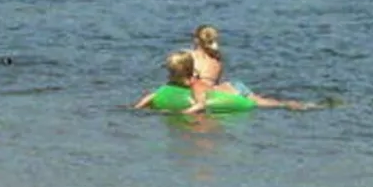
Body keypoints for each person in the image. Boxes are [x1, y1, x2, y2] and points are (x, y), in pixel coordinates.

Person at [135, 51, 314, 112]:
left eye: (170, 71)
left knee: (265, 103)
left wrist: (184, 113)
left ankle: (294, 105)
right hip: (222, 88)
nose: (168, 75)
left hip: (234, 91)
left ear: (180, 72)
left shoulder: (194, 84)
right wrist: (138, 108)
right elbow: (155, 94)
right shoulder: (173, 84)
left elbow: (201, 104)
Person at [188, 24, 302, 108]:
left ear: (196, 40)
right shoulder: (218, 56)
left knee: (257, 103)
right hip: (234, 86)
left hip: (218, 91)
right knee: (261, 101)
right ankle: (289, 103)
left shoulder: (193, 57)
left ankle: (288, 104)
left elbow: (194, 82)